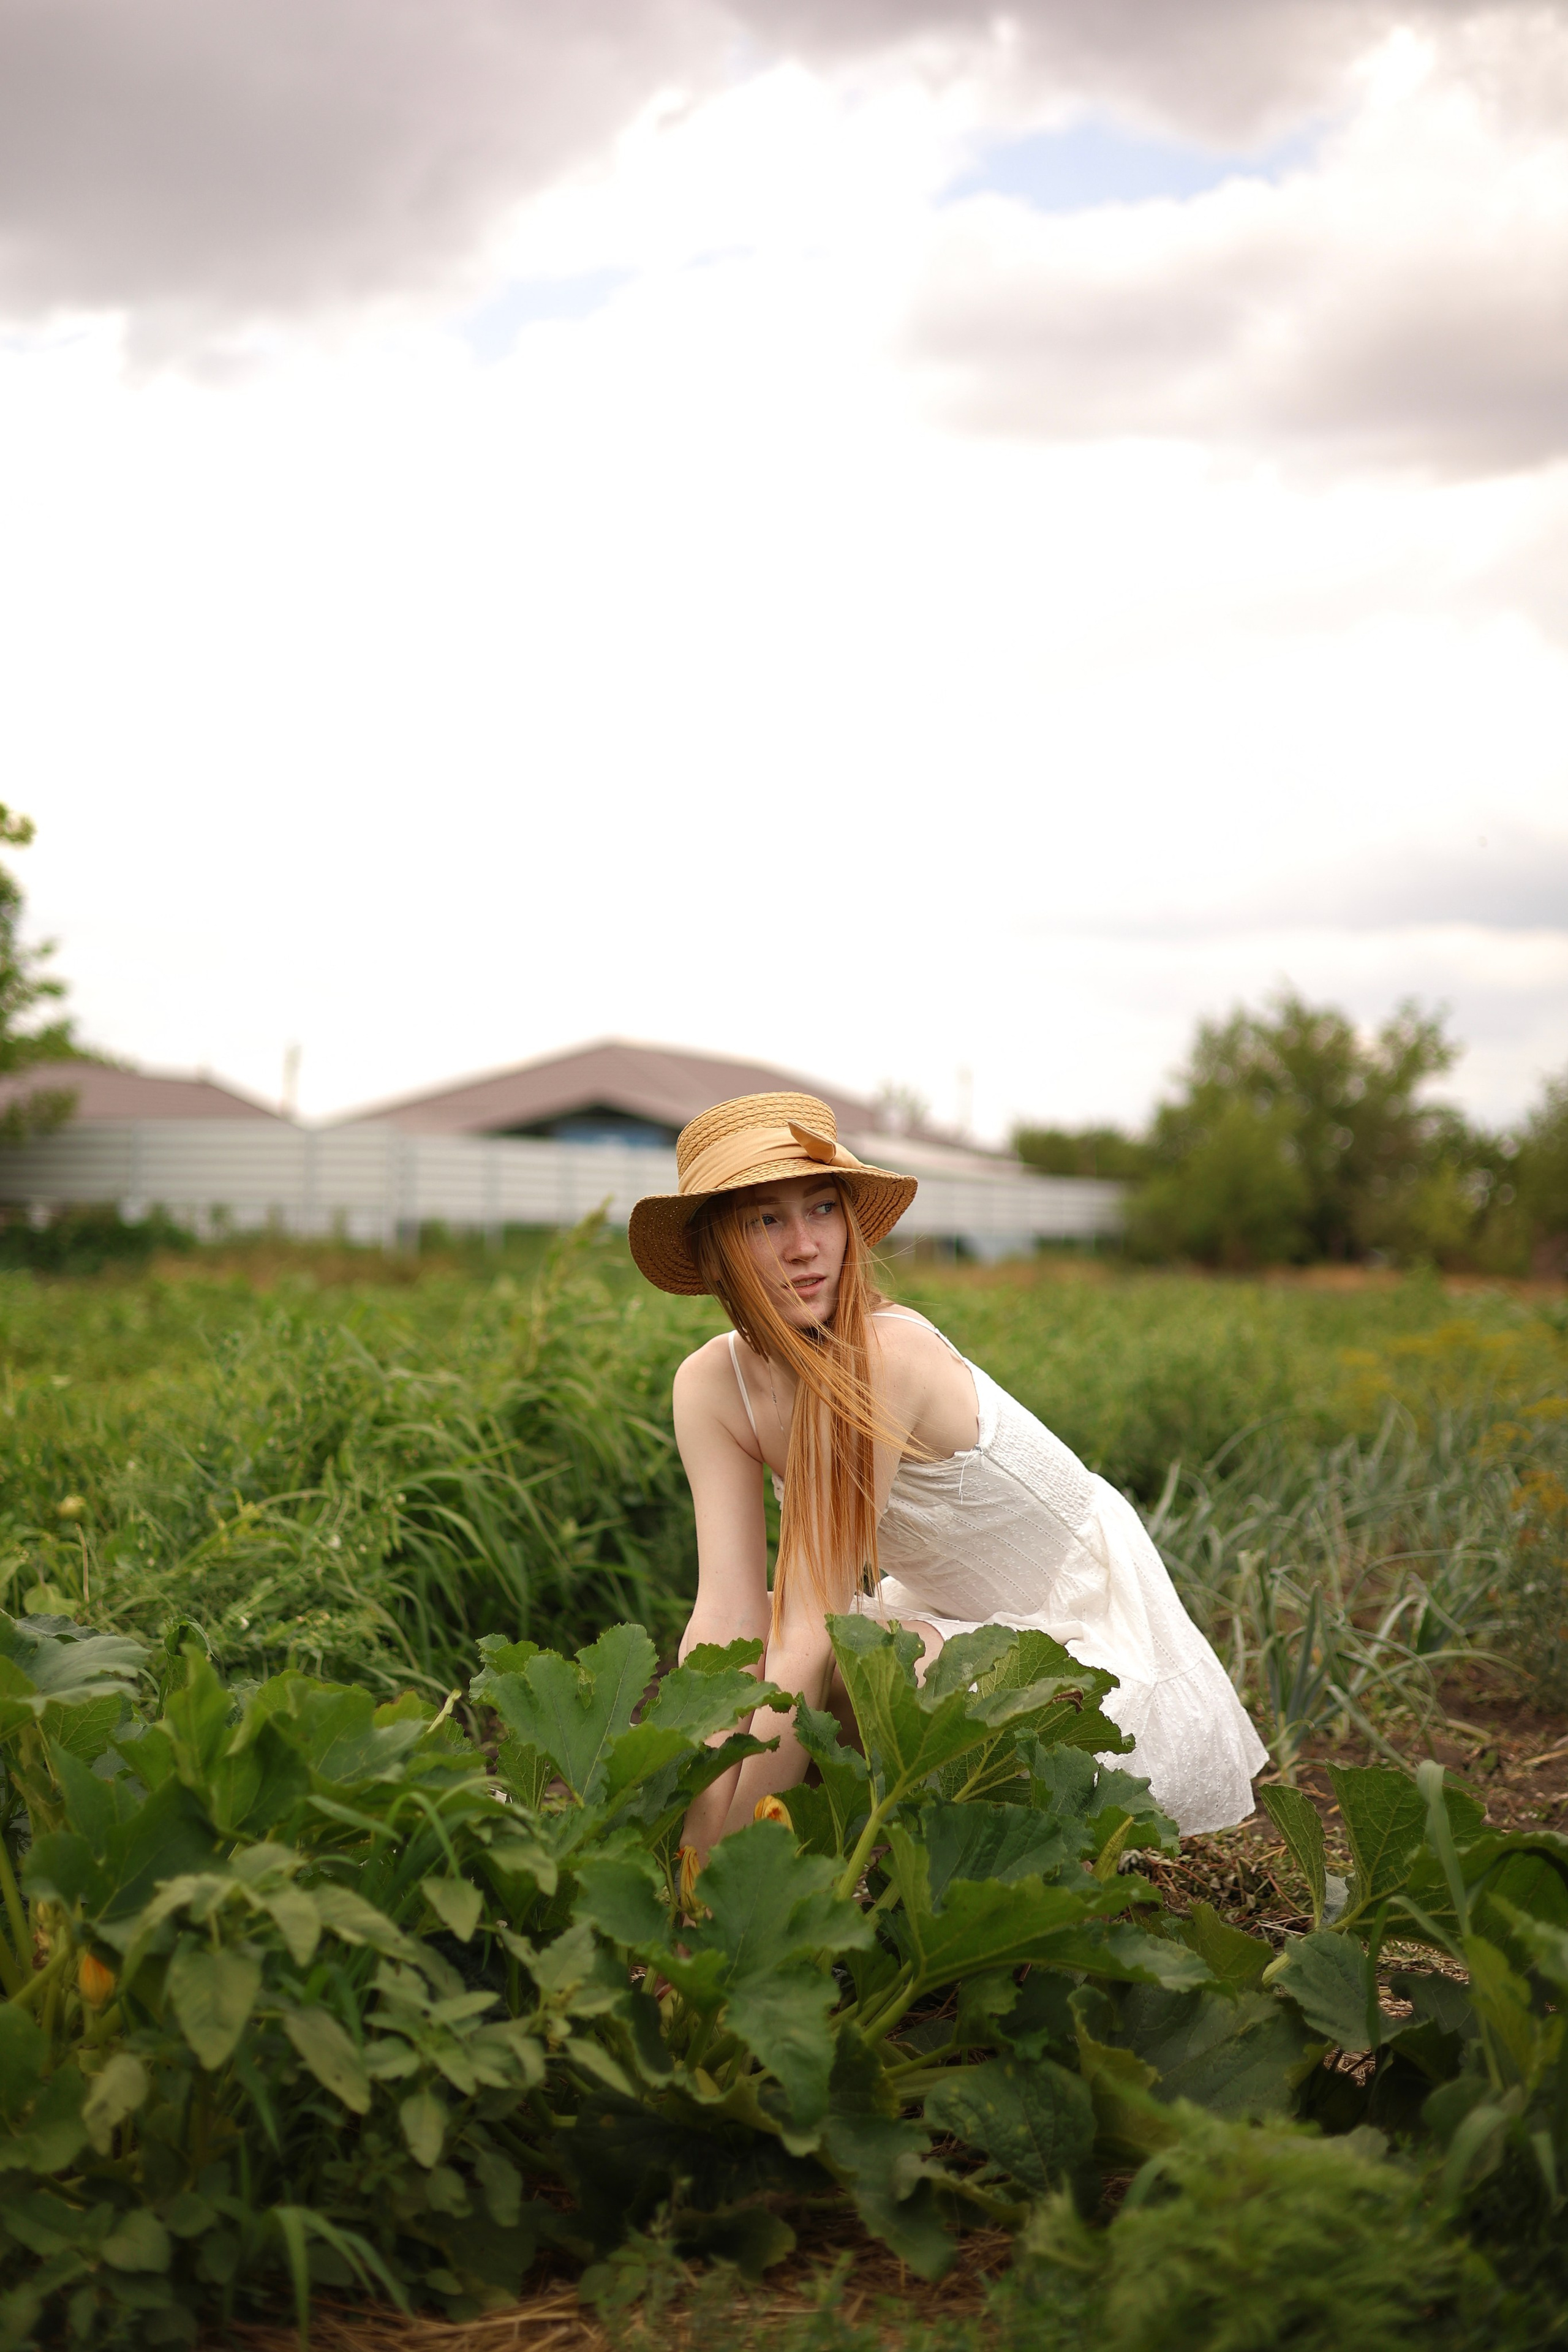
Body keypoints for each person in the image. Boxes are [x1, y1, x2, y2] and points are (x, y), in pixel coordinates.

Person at [628, 1090, 1267, 1855]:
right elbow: (726, 1617)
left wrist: (721, 1867)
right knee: (753, 1636)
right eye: (765, 1219)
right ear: (715, 1245)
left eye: (822, 1209)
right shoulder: (709, 1385)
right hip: (950, 1628)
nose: (805, 1246)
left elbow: (811, 1627)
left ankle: (792, 1874)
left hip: (1076, 1646)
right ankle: (766, 1872)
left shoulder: (882, 1356)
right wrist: (691, 1835)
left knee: (845, 1666)